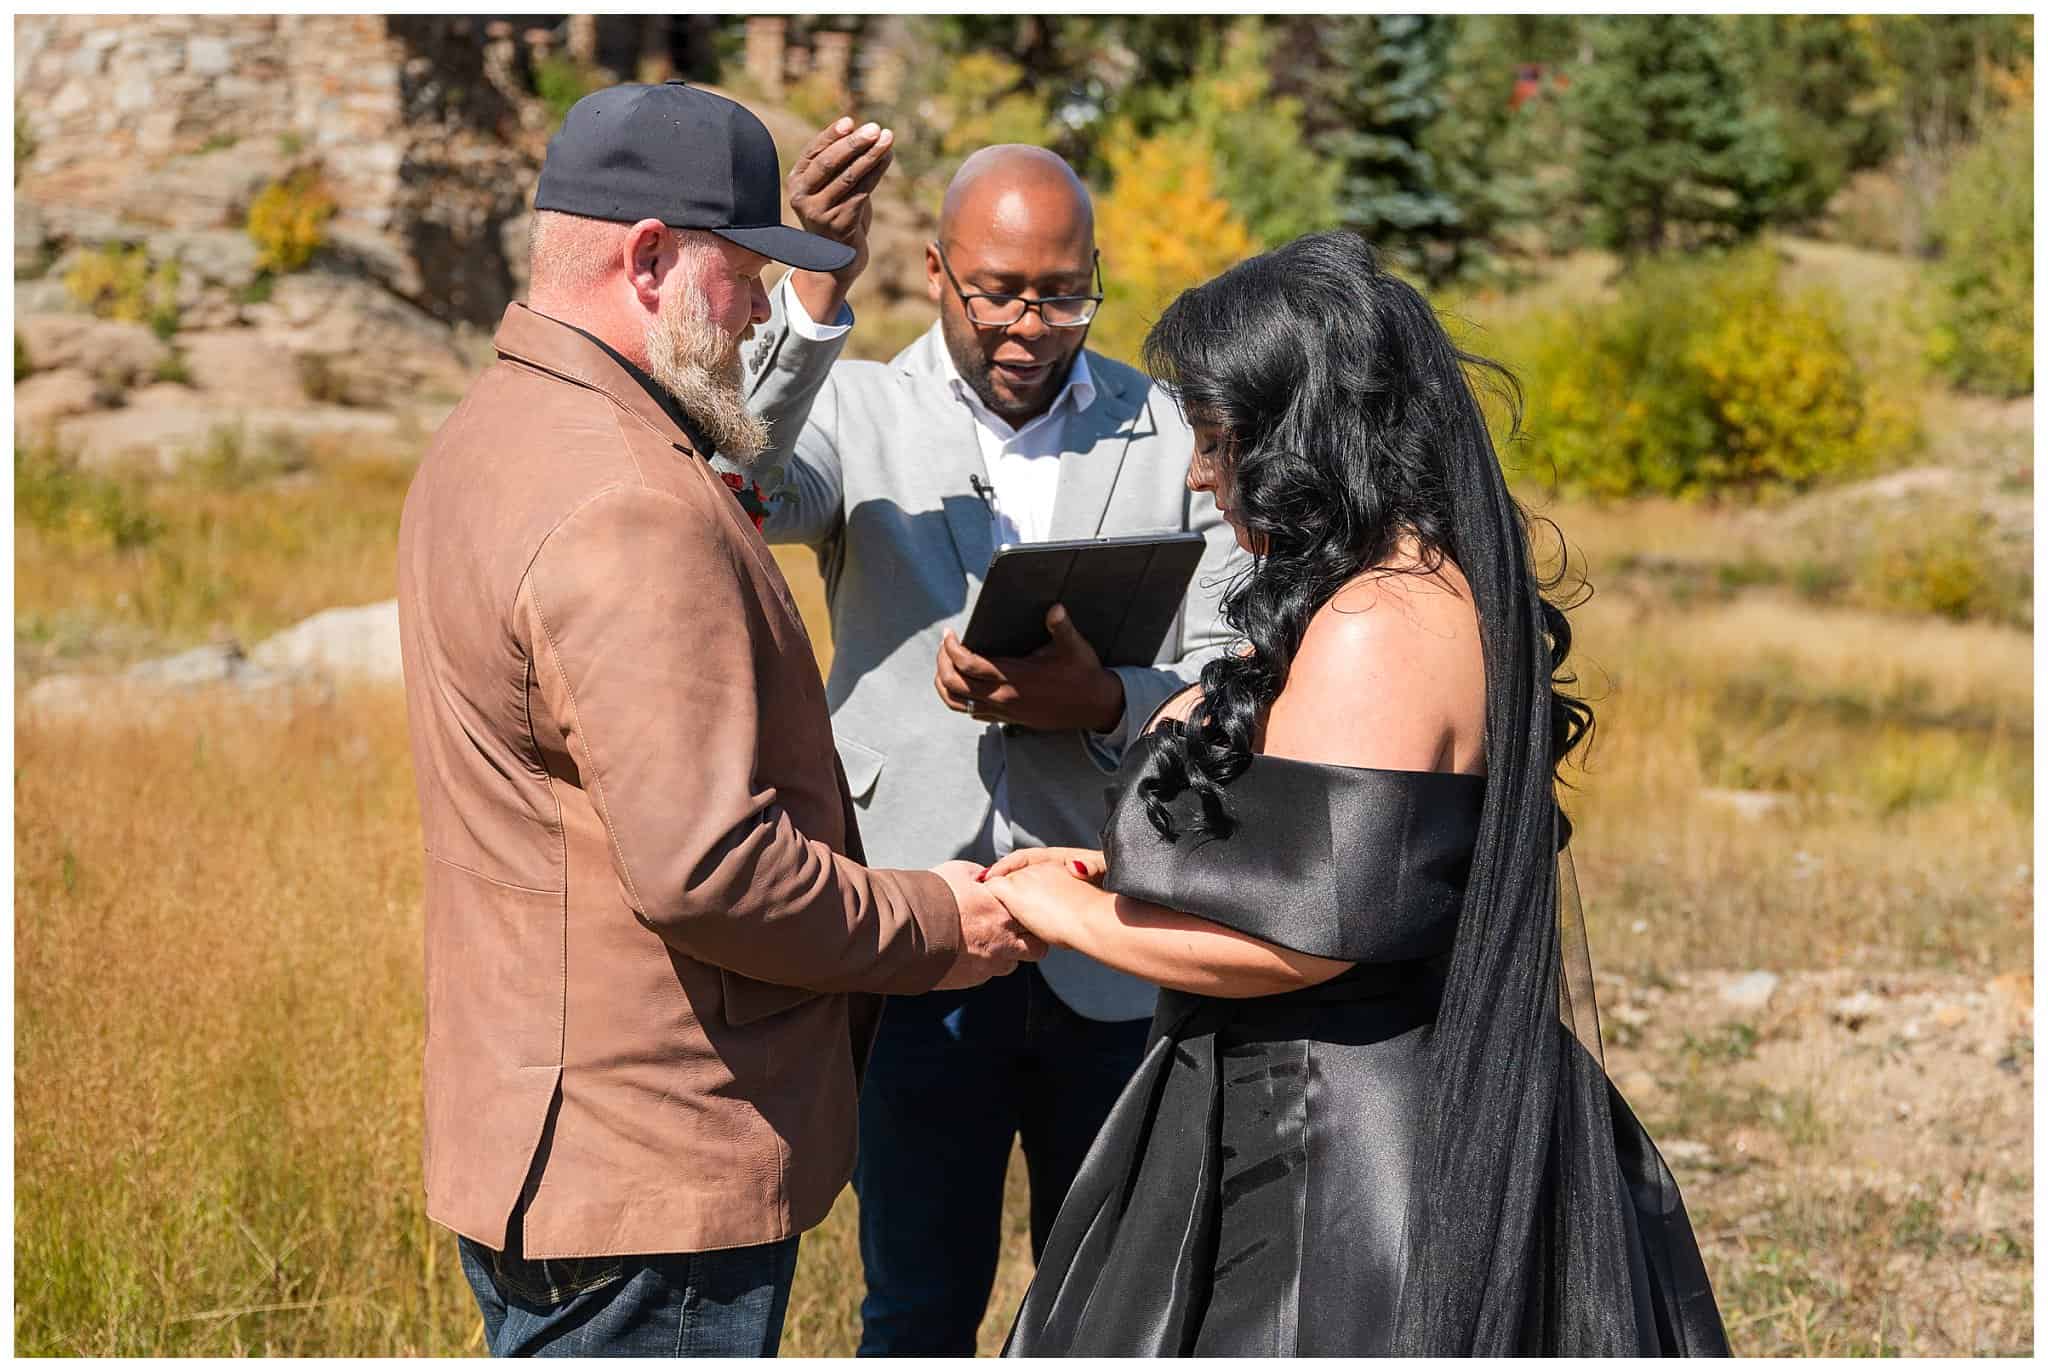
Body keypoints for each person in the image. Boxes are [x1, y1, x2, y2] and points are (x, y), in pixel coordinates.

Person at [982, 231, 1731, 1356]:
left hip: (1336, 1145)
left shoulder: (1376, 619)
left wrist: (1065, 912)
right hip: (1330, 1105)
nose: (1199, 470)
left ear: (1294, 433)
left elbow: (1308, 942)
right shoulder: (1398, 586)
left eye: (1216, 435)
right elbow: (1319, 865)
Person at [395, 82, 1039, 1359]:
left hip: (550, 1134)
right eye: (746, 276)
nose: (756, 315)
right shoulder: (632, 500)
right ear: (649, 260)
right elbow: (711, 868)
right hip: (654, 1167)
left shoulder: (494, 433)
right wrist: (939, 919)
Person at [740, 144, 1249, 1354]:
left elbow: (1235, 664)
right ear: (933, 273)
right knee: (916, 1304)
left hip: (1119, 935)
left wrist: (1106, 700)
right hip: (914, 935)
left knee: (1120, 1305)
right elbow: (736, 479)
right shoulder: (853, 408)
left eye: (1062, 293)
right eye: (997, 291)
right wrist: (811, 282)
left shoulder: (1168, 428)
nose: (1029, 323)